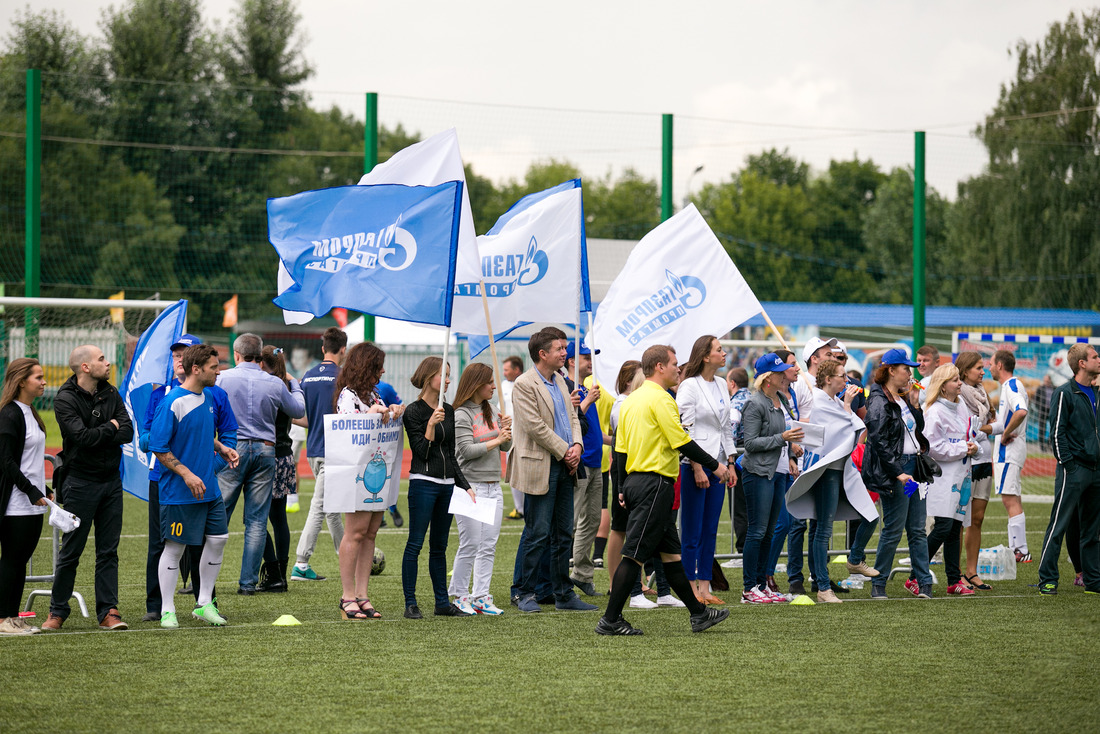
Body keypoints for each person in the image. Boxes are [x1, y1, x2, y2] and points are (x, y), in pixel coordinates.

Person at [595, 344, 732, 636]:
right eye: (674, 364)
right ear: (659, 367)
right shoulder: (661, 399)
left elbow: (619, 450)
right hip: (654, 484)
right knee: (633, 555)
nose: (678, 370)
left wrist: (621, 487)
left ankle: (698, 614)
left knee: (672, 556)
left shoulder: (631, 400)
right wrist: (716, 466)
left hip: (637, 482)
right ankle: (610, 620)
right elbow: (682, 441)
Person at [140, 334, 237, 621]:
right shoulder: (171, 400)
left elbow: (204, 432)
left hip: (209, 489)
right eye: (213, 367)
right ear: (196, 369)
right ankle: (167, 610)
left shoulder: (209, 397)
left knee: (218, 539)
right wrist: (186, 474)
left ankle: (204, 603)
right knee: (174, 547)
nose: (218, 372)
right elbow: (157, 446)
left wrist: (222, 448)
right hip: (180, 490)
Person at [41, 345, 133, 631]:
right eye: (102, 359)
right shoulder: (64, 398)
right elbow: (81, 438)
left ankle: (109, 612)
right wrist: (111, 428)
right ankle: (57, 611)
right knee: (71, 551)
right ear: (85, 367)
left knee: (109, 551)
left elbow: (128, 431)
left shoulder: (111, 392)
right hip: (79, 483)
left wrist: (107, 430)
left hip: (111, 483)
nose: (107, 363)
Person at [508, 328, 596, 613]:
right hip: (542, 465)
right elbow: (535, 427)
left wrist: (577, 447)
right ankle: (524, 592)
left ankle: (563, 594)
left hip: (566, 464)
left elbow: (573, 417)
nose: (565, 353)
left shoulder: (560, 380)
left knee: (564, 533)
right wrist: (566, 450)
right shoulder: (524, 384)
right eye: (560, 348)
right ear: (542, 353)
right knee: (538, 532)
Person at [216, 333, 305, 595]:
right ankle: (248, 584)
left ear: (236, 354)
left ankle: (202, 575)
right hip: (267, 451)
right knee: (257, 521)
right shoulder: (275, 383)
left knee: (218, 514)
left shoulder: (223, 378)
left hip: (233, 449)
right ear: (260, 356)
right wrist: (295, 384)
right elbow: (298, 410)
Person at [402, 357, 475, 618]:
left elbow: (451, 454)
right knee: (415, 543)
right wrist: (431, 424)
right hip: (423, 483)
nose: (448, 380)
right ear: (428, 377)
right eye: (443, 375)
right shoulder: (413, 411)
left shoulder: (450, 410)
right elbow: (421, 452)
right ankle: (410, 603)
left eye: (448, 375)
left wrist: (464, 486)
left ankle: (442, 603)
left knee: (439, 546)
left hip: (447, 487)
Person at [333, 342, 401, 620]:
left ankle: (362, 594)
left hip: (375, 470)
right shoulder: (348, 395)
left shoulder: (373, 393)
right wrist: (372, 414)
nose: (382, 370)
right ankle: (347, 595)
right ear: (365, 367)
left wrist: (393, 410)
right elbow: (347, 429)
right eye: (377, 366)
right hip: (356, 474)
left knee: (370, 533)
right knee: (356, 532)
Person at [863, 349, 933, 599]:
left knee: (916, 527)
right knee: (893, 528)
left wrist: (914, 404)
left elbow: (916, 430)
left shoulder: (901, 397)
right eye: (906, 368)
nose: (910, 373)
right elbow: (879, 441)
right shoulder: (879, 398)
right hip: (899, 470)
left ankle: (924, 582)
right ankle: (878, 583)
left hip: (912, 468)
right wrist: (898, 473)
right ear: (891, 370)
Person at [676, 335, 736, 604]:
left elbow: (726, 428)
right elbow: (685, 431)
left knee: (710, 529)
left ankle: (705, 588)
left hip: (720, 466)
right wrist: (697, 467)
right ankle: (690, 588)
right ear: (705, 356)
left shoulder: (722, 384)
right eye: (719, 350)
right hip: (695, 467)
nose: (724, 354)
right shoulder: (689, 386)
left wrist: (731, 462)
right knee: (691, 530)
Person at [449, 363, 512, 615]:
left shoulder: (493, 410)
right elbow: (466, 451)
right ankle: (460, 595)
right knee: (470, 543)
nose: (494, 387)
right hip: (469, 487)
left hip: (493, 486)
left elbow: (506, 448)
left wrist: (508, 430)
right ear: (476, 384)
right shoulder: (461, 414)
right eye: (490, 382)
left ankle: (481, 596)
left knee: (488, 544)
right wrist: (497, 437)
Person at [911, 363, 979, 597]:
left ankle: (953, 580)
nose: (960, 383)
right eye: (954, 380)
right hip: (942, 477)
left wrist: (973, 445)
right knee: (942, 527)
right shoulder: (935, 411)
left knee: (955, 527)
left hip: (962, 475)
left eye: (959, 379)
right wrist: (963, 448)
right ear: (942, 387)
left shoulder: (961, 407)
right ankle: (914, 576)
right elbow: (932, 447)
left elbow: (971, 434)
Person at [741, 353, 804, 604]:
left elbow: (782, 435)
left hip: (777, 471)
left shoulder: (780, 400)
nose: (784, 375)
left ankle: (760, 584)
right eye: (779, 373)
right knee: (757, 531)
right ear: (768, 378)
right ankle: (749, 587)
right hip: (759, 472)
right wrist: (783, 440)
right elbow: (750, 443)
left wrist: (790, 453)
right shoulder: (755, 404)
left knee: (767, 532)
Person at [1038, 344, 1100, 595]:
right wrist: (1069, 465)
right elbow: (1056, 433)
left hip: (1096, 471)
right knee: (1059, 525)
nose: (1099, 359)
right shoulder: (1065, 392)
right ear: (1082, 363)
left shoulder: (1097, 391)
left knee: (1093, 531)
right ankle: (1048, 579)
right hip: (1073, 470)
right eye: (1096, 356)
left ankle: (1094, 581)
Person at [804, 357, 865, 603]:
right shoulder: (821, 401)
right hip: (826, 470)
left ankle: (849, 564)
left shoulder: (833, 401)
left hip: (837, 469)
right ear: (828, 379)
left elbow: (857, 427)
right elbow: (851, 427)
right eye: (842, 375)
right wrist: (848, 405)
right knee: (822, 530)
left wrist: (846, 405)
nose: (846, 379)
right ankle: (822, 587)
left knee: (865, 517)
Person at [292, 326, 347, 582]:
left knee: (332, 509)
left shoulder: (308, 376)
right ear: (343, 350)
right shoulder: (344, 377)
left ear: (323, 348)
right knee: (320, 506)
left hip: (313, 450)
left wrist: (315, 423)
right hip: (334, 450)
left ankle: (346, 553)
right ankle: (301, 563)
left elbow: (300, 416)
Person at [0, 359, 49, 636]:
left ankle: (13, 616)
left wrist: (44, 489)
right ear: (21, 381)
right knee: (11, 560)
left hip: (31, 502)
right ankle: (2, 619)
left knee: (19, 562)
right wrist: (31, 490)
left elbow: (31, 461)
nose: (43, 382)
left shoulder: (31, 411)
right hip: (15, 503)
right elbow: (6, 462)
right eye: (38, 377)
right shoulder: (9, 413)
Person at [565, 342, 606, 598]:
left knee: (591, 521)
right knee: (570, 521)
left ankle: (581, 574)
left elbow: (592, 429)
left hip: (596, 462)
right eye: (584, 357)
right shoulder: (566, 388)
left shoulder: (583, 386)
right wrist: (587, 401)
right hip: (578, 463)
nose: (590, 361)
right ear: (571, 360)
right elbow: (567, 421)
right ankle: (555, 579)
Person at [956, 350, 995, 590]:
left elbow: (984, 425)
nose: (983, 371)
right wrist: (993, 428)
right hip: (966, 460)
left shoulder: (983, 394)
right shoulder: (958, 394)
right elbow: (970, 429)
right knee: (960, 519)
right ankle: (956, 572)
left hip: (984, 460)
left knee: (977, 519)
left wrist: (990, 428)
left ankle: (972, 571)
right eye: (978, 367)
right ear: (964, 370)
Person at [258, 346, 294, 593]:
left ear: (262, 363)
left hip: (268, 455)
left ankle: (273, 573)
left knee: (256, 518)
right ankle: (281, 572)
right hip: (285, 455)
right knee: (279, 518)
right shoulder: (287, 385)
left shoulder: (266, 385)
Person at [989, 350, 1031, 563]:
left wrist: (1005, 434)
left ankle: (1021, 550)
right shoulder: (1009, 386)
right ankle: (1018, 548)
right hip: (1010, 451)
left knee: (1009, 499)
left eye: (990, 364)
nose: (988, 368)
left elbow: (1021, 411)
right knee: (1011, 498)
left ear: (999, 365)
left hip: (1010, 451)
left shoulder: (1013, 385)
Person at [726, 367, 751, 561]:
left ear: (732, 383)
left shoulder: (735, 403)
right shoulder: (754, 398)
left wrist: (730, 461)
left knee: (739, 507)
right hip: (755, 457)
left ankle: (743, 551)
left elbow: (732, 431)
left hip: (740, 458)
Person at [376, 379, 405, 528]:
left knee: (385, 474)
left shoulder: (385, 388)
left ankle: (392, 509)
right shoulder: (353, 388)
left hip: (384, 440)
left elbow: (400, 407)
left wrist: (395, 409)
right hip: (365, 443)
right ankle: (379, 513)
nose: (382, 370)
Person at [501, 355, 525, 520]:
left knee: (526, 473)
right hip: (510, 437)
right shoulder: (503, 385)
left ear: (516, 370)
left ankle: (527, 508)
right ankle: (520, 509)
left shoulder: (525, 383)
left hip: (524, 436)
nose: (504, 373)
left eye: (506, 369)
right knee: (512, 473)